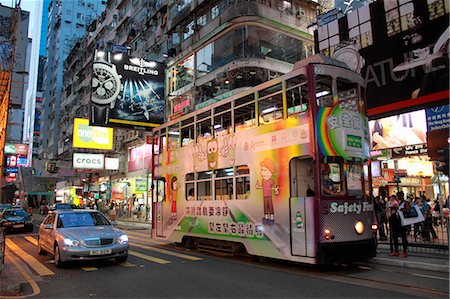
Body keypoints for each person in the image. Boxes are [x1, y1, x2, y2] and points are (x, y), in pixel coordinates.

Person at [256, 158, 279, 225]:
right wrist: (258, 187)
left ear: (270, 173)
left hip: (269, 196)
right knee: (265, 208)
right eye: (262, 170)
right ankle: (266, 218)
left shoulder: (270, 181)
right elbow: (262, 187)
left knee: (270, 207)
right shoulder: (263, 181)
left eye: (264, 170)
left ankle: (271, 219)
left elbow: (275, 186)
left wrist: (276, 190)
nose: (262, 172)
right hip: (265, 197)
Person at [397, 192, 409, 257]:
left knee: (404, 236)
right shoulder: (399, 203)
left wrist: (402, 209)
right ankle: (403, 250)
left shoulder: (405, 202)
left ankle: (405, 251)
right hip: (400, 221)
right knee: (402, 235)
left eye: (399, 196)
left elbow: (408, 210)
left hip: (404, 221)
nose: (398, 197)